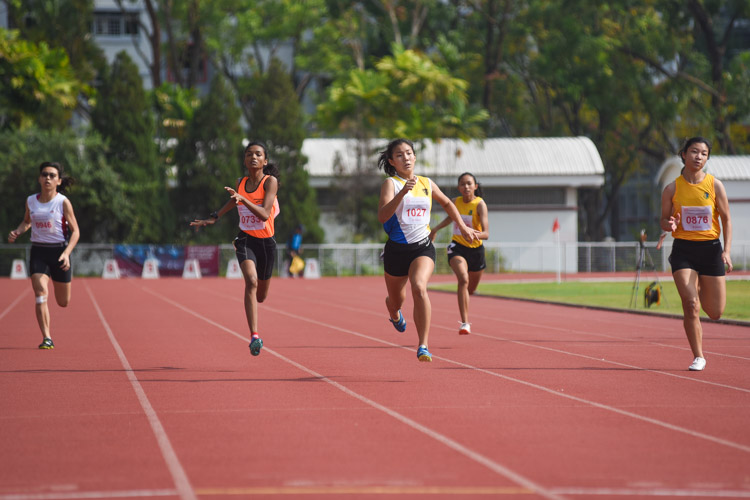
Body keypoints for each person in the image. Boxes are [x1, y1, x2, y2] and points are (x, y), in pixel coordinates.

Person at [378, 138, 479, 362]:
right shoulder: (390, 184)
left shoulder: (426, 182)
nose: (406, 158)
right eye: (399, 155)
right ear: (391, 161)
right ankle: (393, 312)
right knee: (397, 302)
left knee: (419, 287)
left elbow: (448, 203)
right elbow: (383, 216)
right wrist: (402, 193)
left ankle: (423, 345)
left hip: (422, 248)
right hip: (396, 252)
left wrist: (462, 227)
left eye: (409, 153)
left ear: (415, 157)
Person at [191, 141, 279, 357]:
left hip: (266, 243)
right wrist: (214, 217)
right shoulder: (240, 183)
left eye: (258, 154)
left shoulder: (270, 182)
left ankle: (256, 318)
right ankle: (254, 336)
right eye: (249, 154)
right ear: (244, 160)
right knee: (251, 281)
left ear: (265, 161)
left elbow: (265, 214)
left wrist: (244, 199)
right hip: (246, 239)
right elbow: (233, 201)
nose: (253, 157)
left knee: (261, 296)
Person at [660, 136, 732, 371]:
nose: (698, 156)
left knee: (715, 312)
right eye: (694, 152)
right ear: (683, 154)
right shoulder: (671, 188)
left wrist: (727, 251)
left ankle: (700, 285)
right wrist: (669, 224)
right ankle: (698, 356)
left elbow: (726, 219)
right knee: (691, 304)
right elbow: (663, 220)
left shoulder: (715, 185)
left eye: (703, 153)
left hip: (711, 250)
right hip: (684, 251)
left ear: (707, 158)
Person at [8, 162, 80, 349]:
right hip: (39, 251)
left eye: (52, 175)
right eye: (44, 174)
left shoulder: (62, 202)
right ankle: (47, 337)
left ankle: (48, 332)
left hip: (59, 252)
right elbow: (26, 222)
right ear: (39, 178)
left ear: (58, 181)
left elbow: (76, 232)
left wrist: (66, 253)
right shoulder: (31, 201)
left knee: (63, 302)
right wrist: (17, 231)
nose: (47, 178)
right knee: (40, 291)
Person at [429, 172, 490, 335]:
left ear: (475, 186)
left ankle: (466, 299)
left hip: (476, 250)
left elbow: (486, 234)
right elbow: (451, 218)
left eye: (469, 183)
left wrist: (470, 232)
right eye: (462, 184)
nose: (466, 187)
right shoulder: (455, 202)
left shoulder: (480, 204)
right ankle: (465, 323)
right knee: (463, 279)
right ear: (459, 187)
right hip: (457, 247)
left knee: (470, 289)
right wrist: (435, 229)